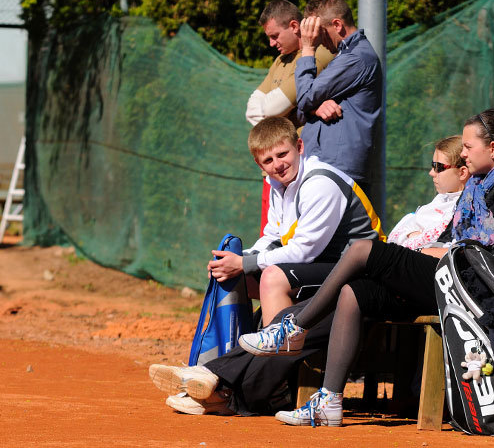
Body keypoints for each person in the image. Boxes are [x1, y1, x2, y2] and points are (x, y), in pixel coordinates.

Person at [238, 108, 494, 427]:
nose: (463, 153)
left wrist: (442, 250)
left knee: (363, 250)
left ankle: (296, 328)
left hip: (470, 286)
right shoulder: (478, 187)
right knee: (355, 293)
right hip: (450, 277)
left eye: (467, 147)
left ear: (492, 149)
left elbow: (484, 253)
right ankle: (328, 401)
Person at [149, 135, 469, 417]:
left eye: (439, 167)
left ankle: (223, 383)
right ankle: (223, 387)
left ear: (463, 172)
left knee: (287, 301)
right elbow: (275, 235)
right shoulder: (432, 207)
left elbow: (456, 253)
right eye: (433, 165)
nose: (431, 172)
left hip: (386, 282)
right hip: (369, 282)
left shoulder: (465, 206)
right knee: (293, 317)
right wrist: (245, 262)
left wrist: (245, 263)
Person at [207, 115, 384, 327]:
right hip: (324, 264)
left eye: (282, 154)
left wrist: (244, 263)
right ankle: (235, 348)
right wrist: (236, 260)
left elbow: (302, 252)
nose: (278, 165)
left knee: (272, 277)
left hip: (361, 272)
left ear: (299, 146)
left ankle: (276, 355)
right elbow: (273, 237)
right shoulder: (277, 184)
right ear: (258, 163)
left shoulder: (320, 183)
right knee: (231, 276)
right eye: (268, 160)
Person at [246, 0, 334, 235]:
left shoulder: (318, 54)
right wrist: (285, 112)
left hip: (298, 170)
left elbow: (272, 107)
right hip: (273, 174)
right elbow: (252, 110)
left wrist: (277, 111)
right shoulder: (280, 60)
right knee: (270, 235)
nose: (271, 43)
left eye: (275, 36)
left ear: (294, 26)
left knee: (292, 238)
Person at [295, 0, 382, 189]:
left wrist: (308, 49)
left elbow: (304, 97)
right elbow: (302, 108)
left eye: (320, 31)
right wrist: (315, 109)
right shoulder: (344, 56)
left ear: (337, 25)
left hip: (338, 173)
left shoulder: (357, 58)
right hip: (326, 168)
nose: (317, 39)